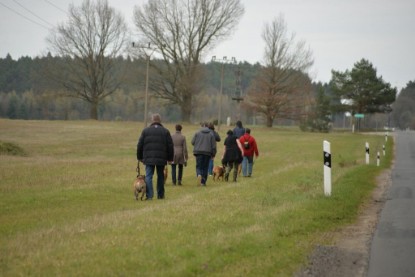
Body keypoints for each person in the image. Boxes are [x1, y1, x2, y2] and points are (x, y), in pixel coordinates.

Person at [137, 113, 174, 200]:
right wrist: (170, 158)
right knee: (160, 176)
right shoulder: (165, 131)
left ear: (152, 120)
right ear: (160, 121)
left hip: (148, 157)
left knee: (149, 176)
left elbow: (140, 145)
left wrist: (139, 157)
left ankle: (149, 195)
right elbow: (170, 146)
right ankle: (160, 195)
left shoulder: (145, 131)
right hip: (161, 158)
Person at [191, 122, 217, 186]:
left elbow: (192, 142)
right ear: (208, 127)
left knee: (198, 166)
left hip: (198, 152)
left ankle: (199, 174)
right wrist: (213, 154)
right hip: (207, 153)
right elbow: (214, 146)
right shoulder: (211, 134)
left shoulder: (197, 133)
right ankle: (203, 181)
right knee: (205, 167)